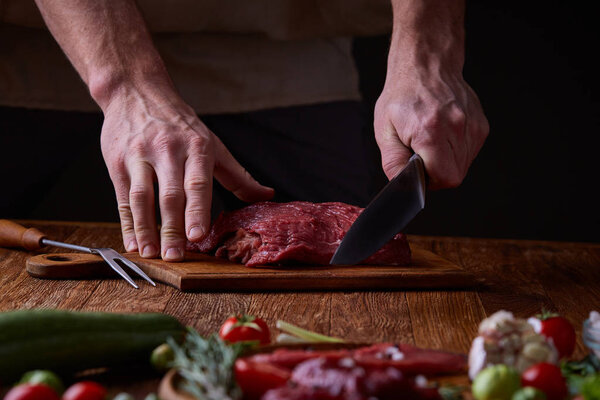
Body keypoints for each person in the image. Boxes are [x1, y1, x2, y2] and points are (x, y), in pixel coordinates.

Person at [1, 0, 488, 262]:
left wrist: (428, 54)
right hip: (54, 40)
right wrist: (124, 84)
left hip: (286, 37)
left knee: (356, 273)